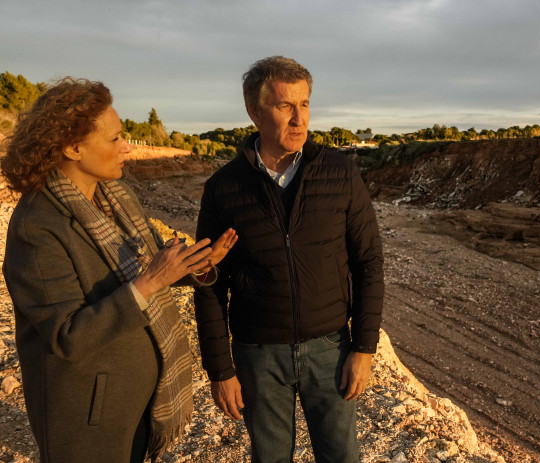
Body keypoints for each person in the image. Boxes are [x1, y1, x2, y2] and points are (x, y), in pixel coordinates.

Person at [1, 77, 237, 463]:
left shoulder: (116, 197)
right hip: (89, 418)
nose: (125, 147)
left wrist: (194, 265)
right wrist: (154, 279)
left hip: (139, 401)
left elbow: (145, 270)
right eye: (114, 139)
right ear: (72, 147)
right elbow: (67, 336)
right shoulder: (36, 227)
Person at [194, 56, 384, 462]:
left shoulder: (340, 173)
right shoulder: (223, 189)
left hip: (330, 349)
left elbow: (368, 263)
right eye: (285, 106)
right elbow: (208, 282)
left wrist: (364, 348)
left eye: (306, 104)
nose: (300, 119)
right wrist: (220, 369)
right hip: (258, 355)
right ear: (254, 111)